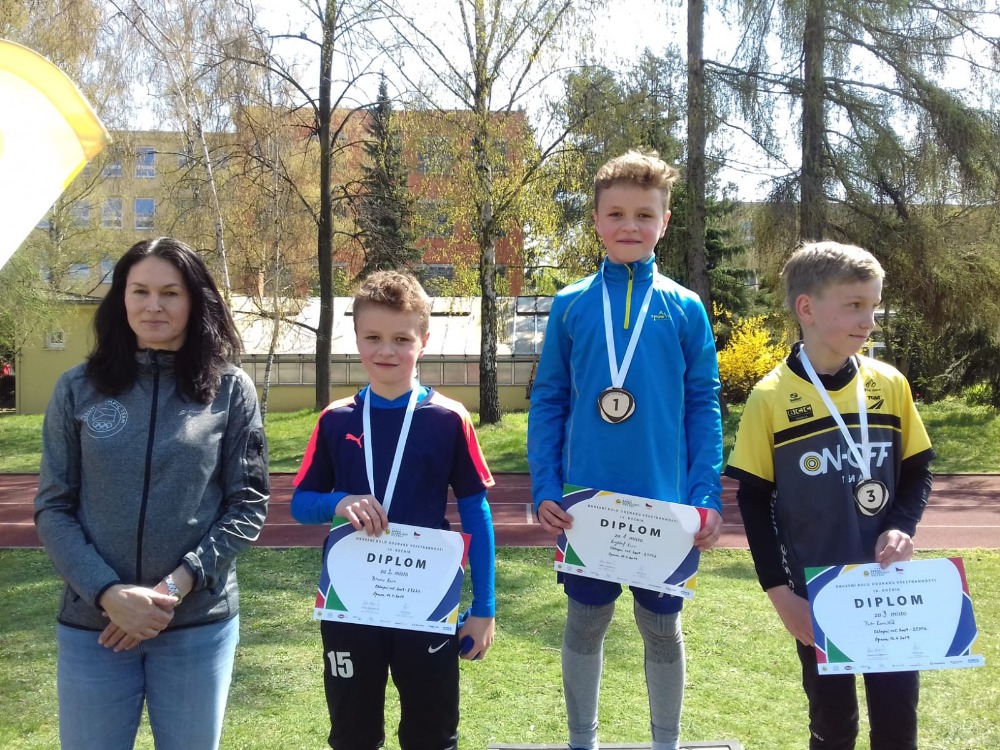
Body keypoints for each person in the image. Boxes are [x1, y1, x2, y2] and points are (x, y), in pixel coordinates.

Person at [34, 237, 270, 750]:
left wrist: (169, 593)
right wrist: (108, 595)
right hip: (94, 627)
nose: (153, 305)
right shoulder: (77, 388)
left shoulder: (231, 390)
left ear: (196, 301)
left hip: (195, 626)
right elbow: (54, 506)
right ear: (121, 298)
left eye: (171, 292)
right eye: (139, 291)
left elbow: (247, 505)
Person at [527, 150, 724, 750]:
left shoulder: (685, 306)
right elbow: (549, 400)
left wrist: (705, 495)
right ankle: (581, 741)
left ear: (665, 221)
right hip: (586, 506)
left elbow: (703, 405)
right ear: (595, 220)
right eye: (616, 214)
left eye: (644, 214)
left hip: (665, 506)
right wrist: (545, 487)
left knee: (662, 630)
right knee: (585, 624)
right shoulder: (571, 304)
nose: (630, 226)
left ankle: (667, 743)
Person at [725, 241, 935, 750]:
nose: (870, 321)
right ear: (807, 308)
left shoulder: (890, 383)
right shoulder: (770, 397)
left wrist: (901, 526)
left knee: (898, 726)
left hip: (888, 589)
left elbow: (917, 469)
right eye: (855, 305)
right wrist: (780, 594)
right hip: (817, 594)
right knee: (834, 726)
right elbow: (753, 501)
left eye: (874, 306)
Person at [291, 270, 496, 750]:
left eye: (402, 338)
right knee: (352, 733)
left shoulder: (449, 418)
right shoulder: (335, 418)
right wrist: (339, 501)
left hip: (427, 599)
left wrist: (485, 608)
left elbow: (476, 512)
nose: (386, 350)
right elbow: (300, 503)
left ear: (424, 340)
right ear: (356, 338)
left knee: (432, 734)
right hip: (350, 600)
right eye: (374, 338)